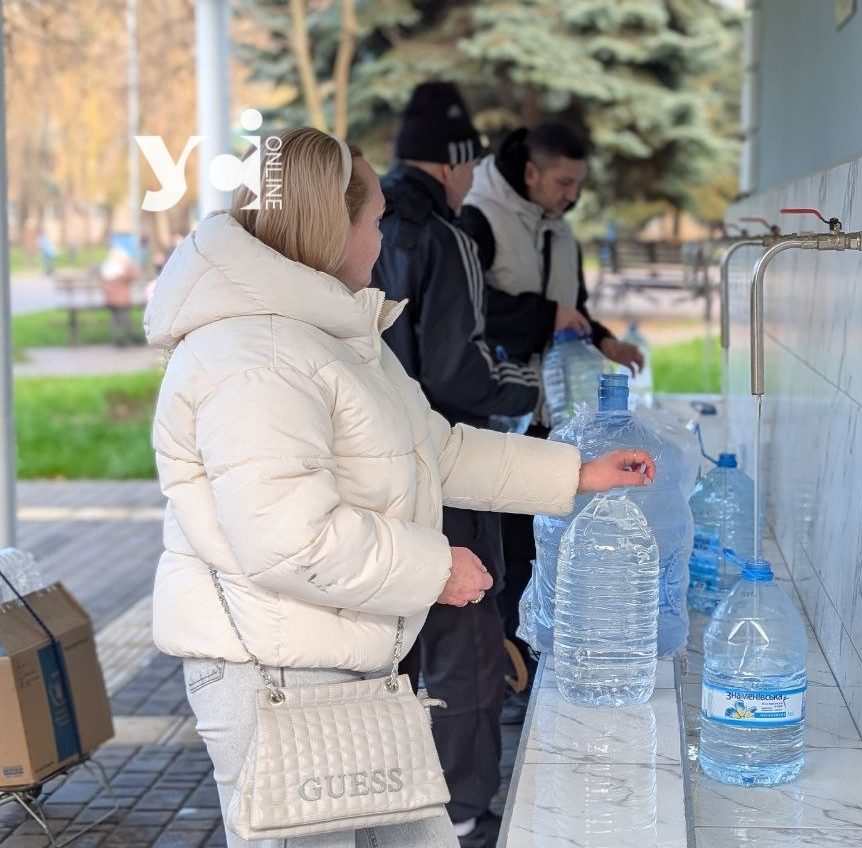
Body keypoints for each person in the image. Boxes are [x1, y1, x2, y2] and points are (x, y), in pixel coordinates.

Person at [144, 126, 656, 848]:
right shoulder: (253, 355)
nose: (385, 241)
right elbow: (289, 536)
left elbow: (433, 451)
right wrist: (434, 567)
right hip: (275, 678)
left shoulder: (326, 336)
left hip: (343, 661)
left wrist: (575, 473)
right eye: (376, 220)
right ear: (332, 226)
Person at [369, 82, 539, 848]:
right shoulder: (443, 238)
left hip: (368, 482)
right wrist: (530, 388)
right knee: (467, 651)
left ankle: (390, 802)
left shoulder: (365, 226)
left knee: (391, 651)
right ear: (457, 161)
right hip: (441, 471)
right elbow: (457, 375)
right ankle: (465, 811)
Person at [457, 120, 645, 723]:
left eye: (578, 184)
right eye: (563, 181)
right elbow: (472, 313)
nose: (571, 195)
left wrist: (607, 342)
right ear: (532, 172)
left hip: (550, 415)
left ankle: (535, 662)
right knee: (502, 553)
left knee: (544, 546)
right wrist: (547, 316)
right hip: (494, 418)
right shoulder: (479, 220)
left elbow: (575, 311)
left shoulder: (561, 232)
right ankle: (505, 679)